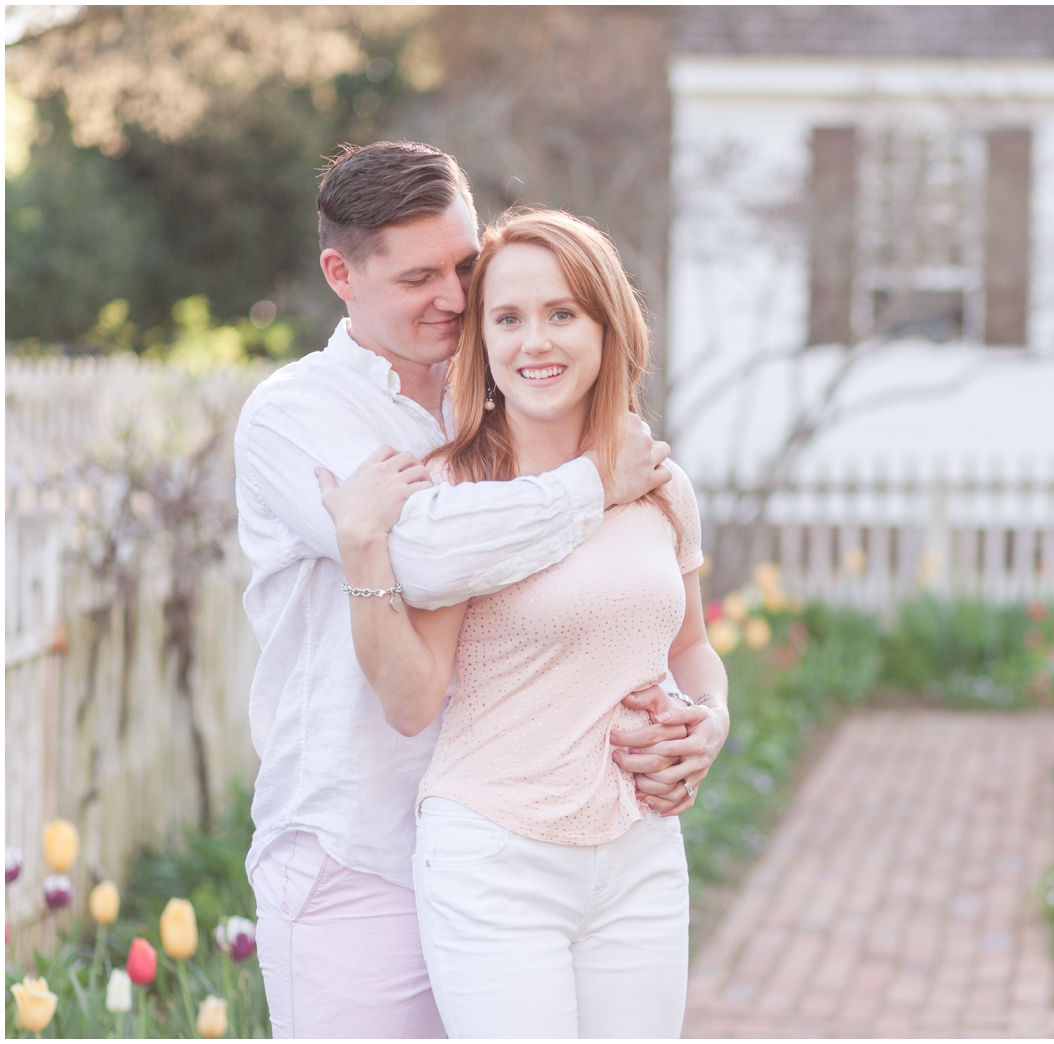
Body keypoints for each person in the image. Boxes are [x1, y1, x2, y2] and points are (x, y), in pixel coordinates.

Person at [234, 141, 706, 1038]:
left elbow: (647, 629)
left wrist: (700, 717)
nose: (453, 297)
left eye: (463, 266)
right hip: (359, 849)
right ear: (341, 273)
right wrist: (589, 486)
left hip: (546, 827)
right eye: (418, 278)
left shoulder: (497, 408)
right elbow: (430, 555)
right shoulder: (295, 417)